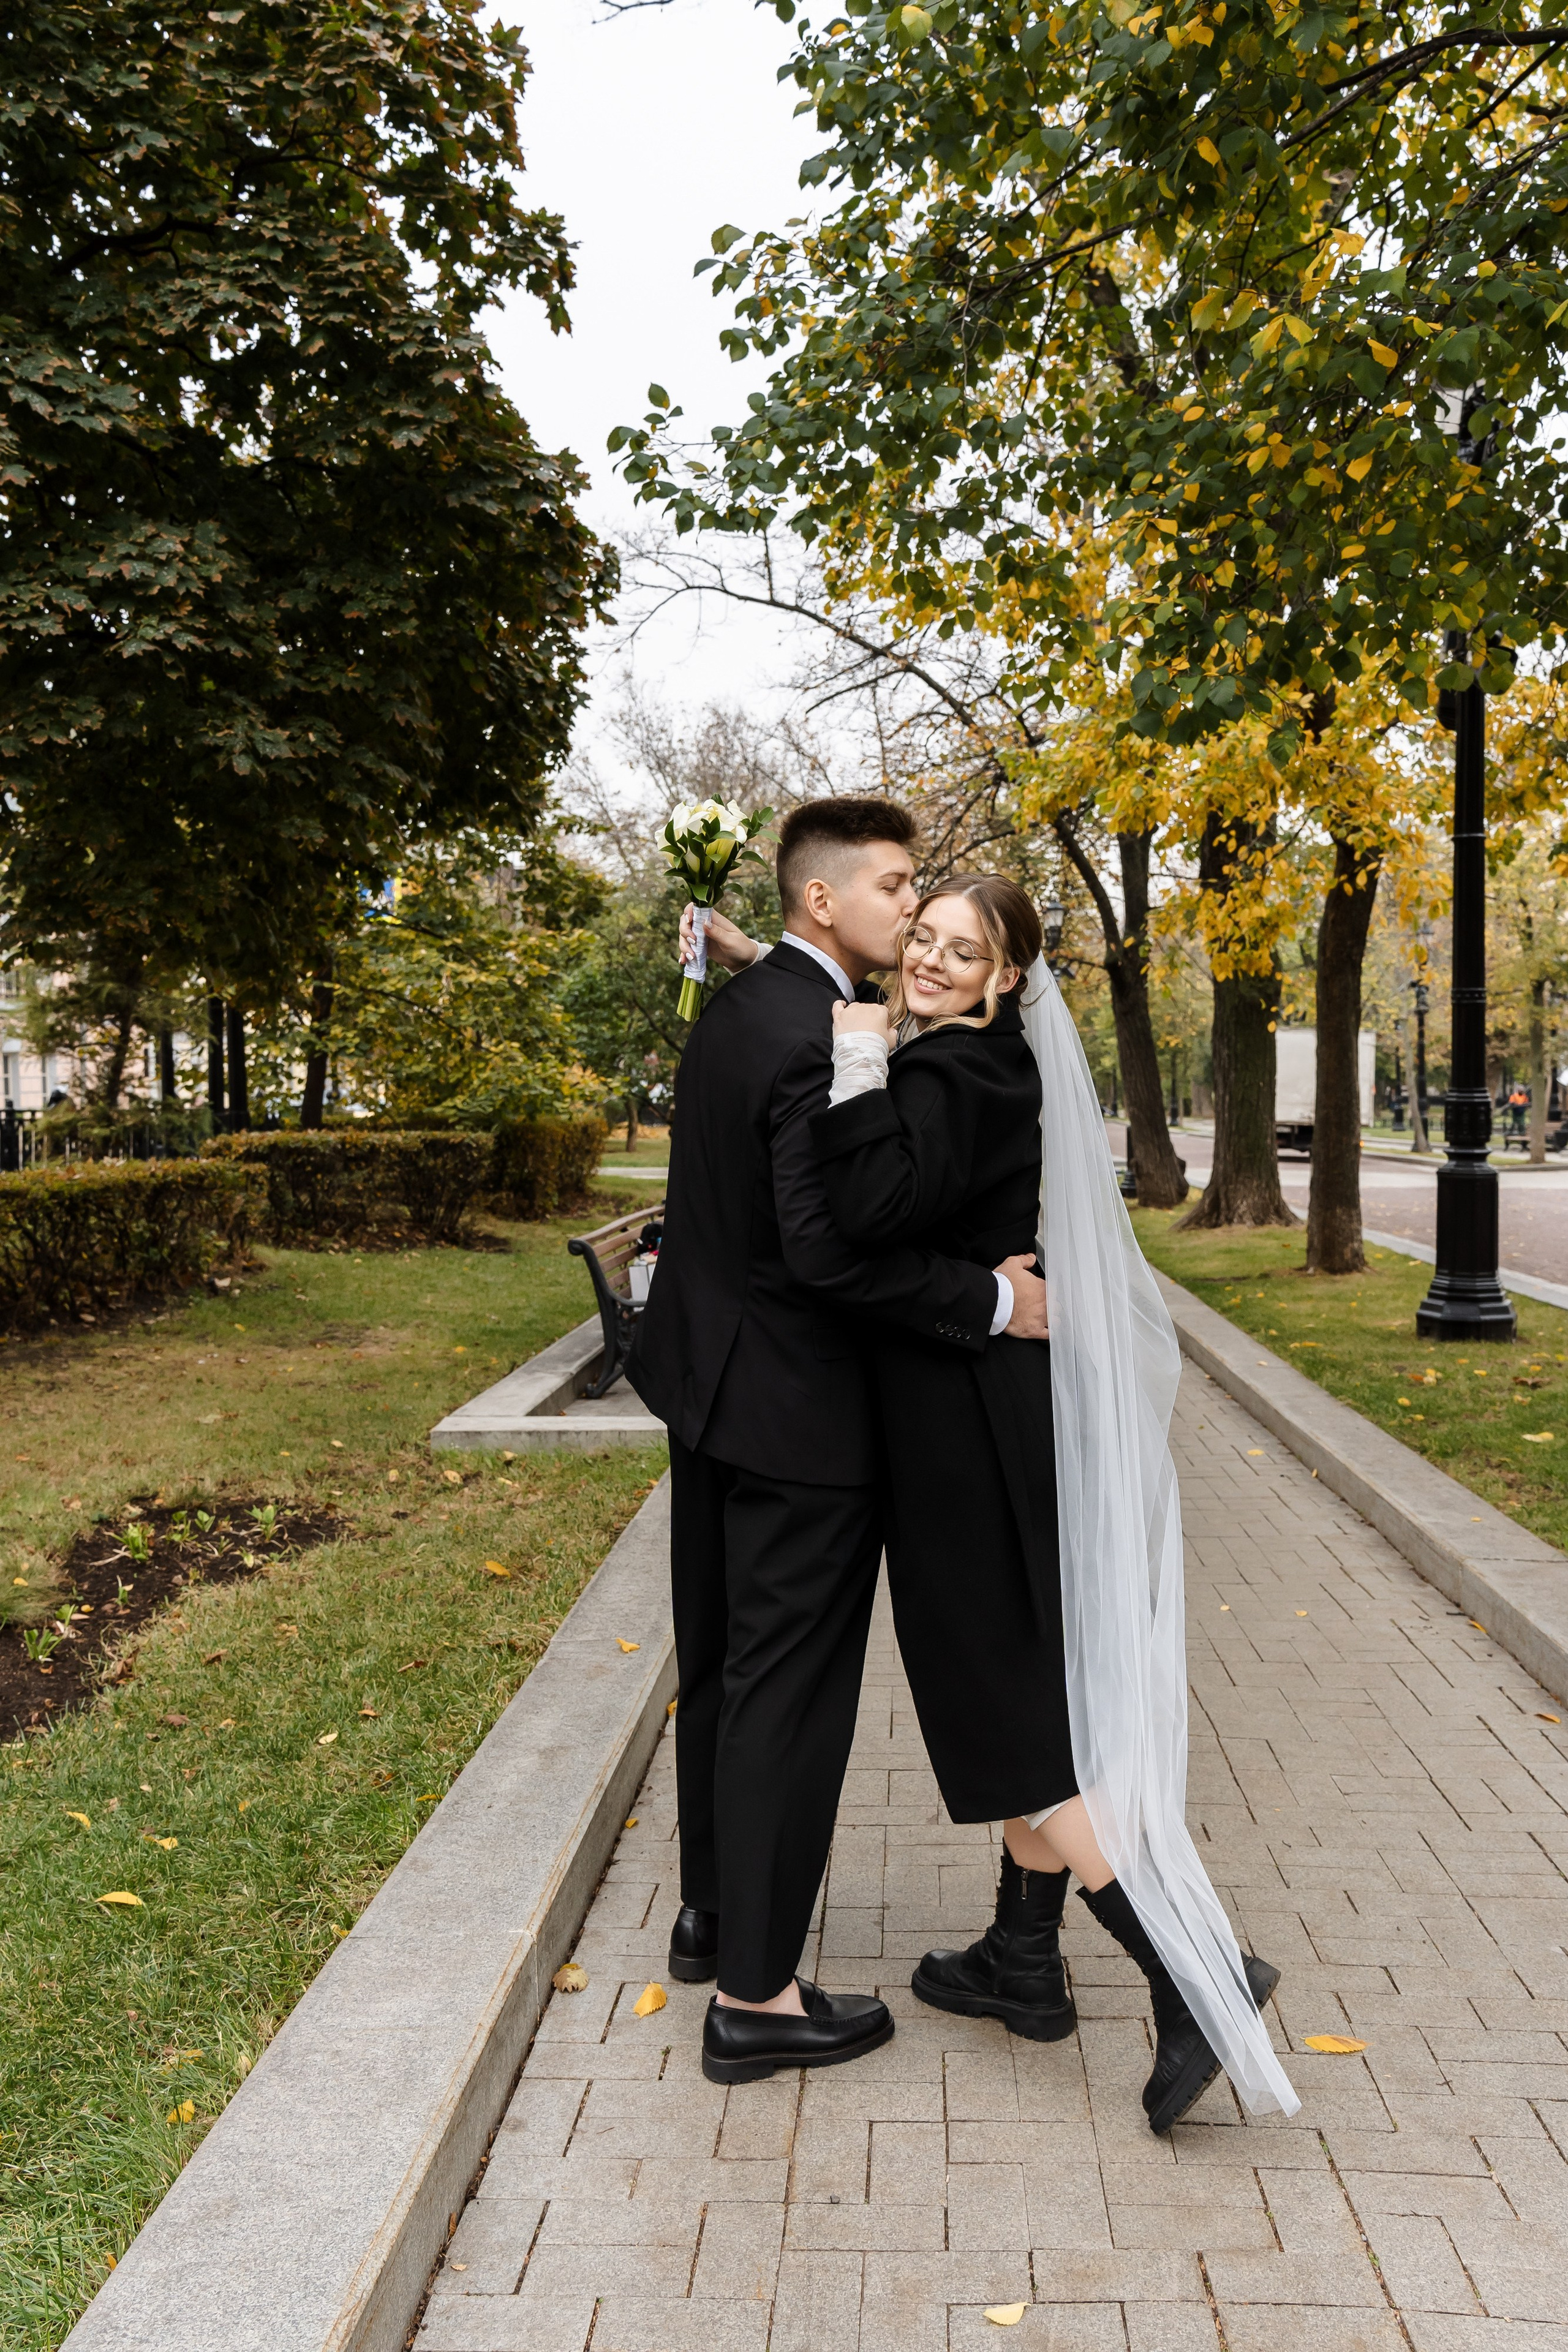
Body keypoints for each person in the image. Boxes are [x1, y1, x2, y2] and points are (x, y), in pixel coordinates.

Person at [708, 873, 1298, 2133]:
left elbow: (862, 1213)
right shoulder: (999, 1069)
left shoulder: (940, 1075)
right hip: (993, 1422)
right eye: (919, 940)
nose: (926, 961)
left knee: (1006, 1726)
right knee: (1022, 1690)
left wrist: (860, 1060)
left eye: (957, 951)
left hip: (955, 1439)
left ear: (1003, 977)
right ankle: (1015, 1962)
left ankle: (1197, 1981)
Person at [626, 801, 1051, 2087]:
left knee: (724, 1669)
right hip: (798, 1418)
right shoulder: (816, 1036)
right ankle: (758, 1997)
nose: (911, 913)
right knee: (786, 1699)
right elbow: (827, 1246)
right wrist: (990, 1301)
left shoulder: (742, 1007)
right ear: (824, 904)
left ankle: (715, 1920)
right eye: (894, 889)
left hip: (704, 1392)